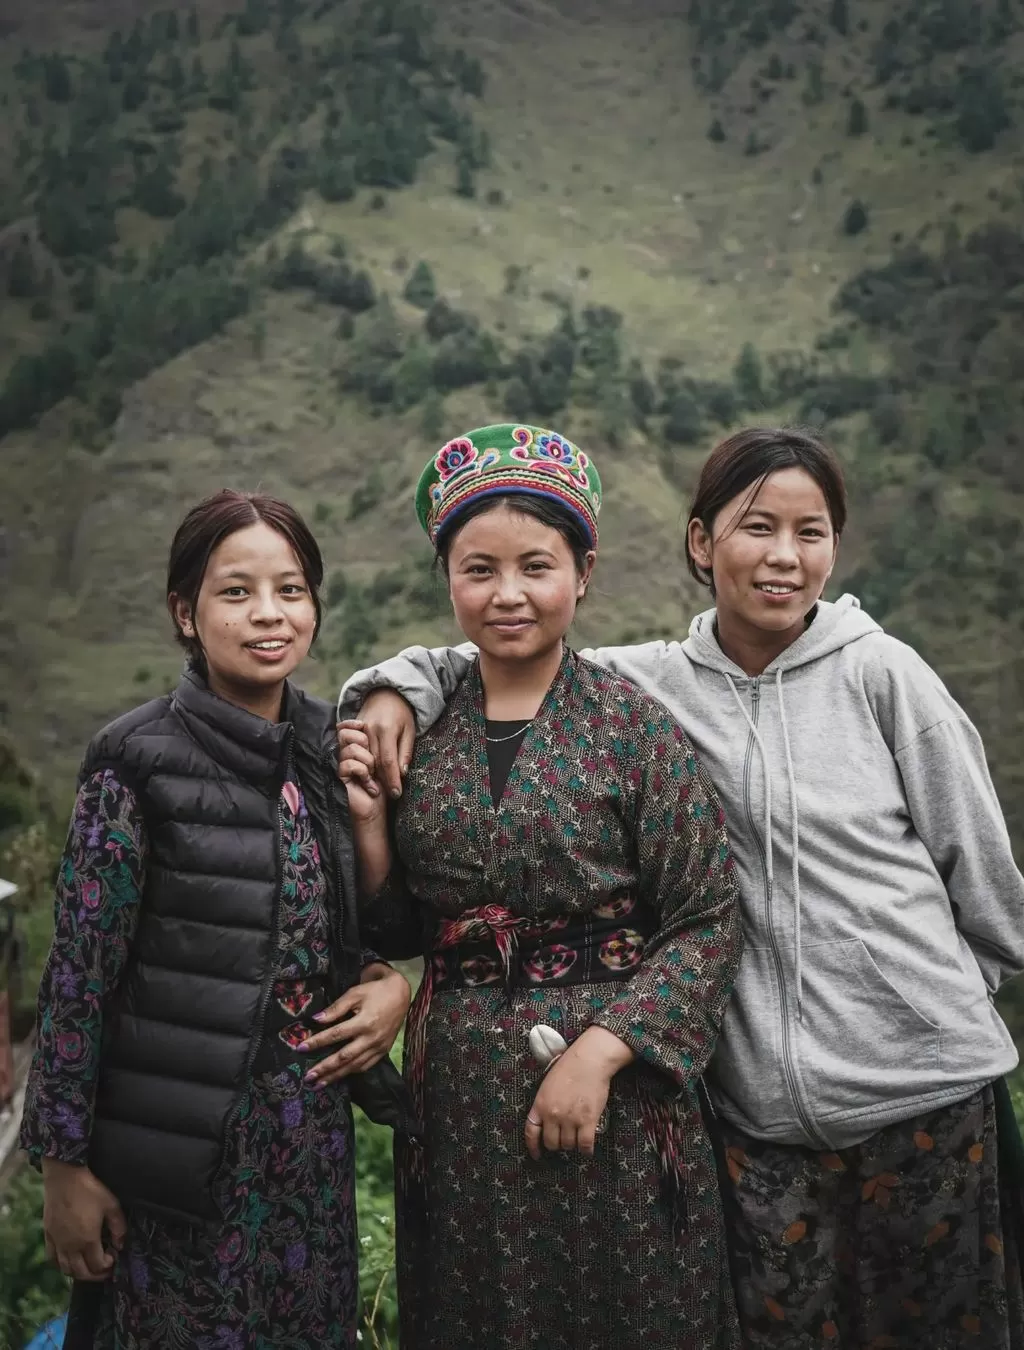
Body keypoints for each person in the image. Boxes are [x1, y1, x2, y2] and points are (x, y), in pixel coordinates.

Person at [339, 426, 1024, 1349]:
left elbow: (989, 891)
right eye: (756, 527)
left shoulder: (877, 676)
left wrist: (932, 1004)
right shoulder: (657, 684)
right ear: (699, 542)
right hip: (754, 1104)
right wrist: (389, 690)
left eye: (811, 533)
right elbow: (495, 652)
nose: (783, 556)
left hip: (919, 1087)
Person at [336, 423, 745, 1349]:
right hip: (461, 1104)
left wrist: (599, 1056)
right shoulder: (421, 732)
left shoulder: (634, 728)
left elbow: (707, 917)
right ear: (448, 579)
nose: (508, 593)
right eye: (479, 569)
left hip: (618, 1098)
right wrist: (367, 820)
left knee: (625, 1309)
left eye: (536, 566)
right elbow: (402, 923)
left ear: (584, 572)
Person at [20, 489, 414, 1350]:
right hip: (179, 1148)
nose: (269, 614)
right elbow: (80, 977)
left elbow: (370, 930)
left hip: (307, 1133)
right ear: (185, 613)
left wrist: (394, 992)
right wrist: (62, 1167)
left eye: (292, 589)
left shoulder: (326, 742)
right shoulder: (136, 763)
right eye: (236, 592)